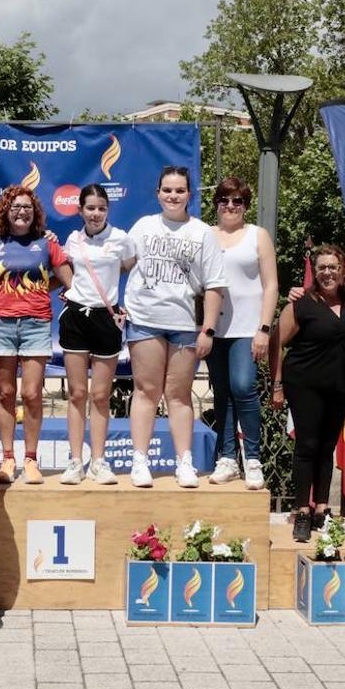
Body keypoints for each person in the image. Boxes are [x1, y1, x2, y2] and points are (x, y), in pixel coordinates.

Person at [124, 166, 227, 488]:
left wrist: (208, 329)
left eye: (179, 190)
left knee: (179, 395)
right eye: (167, 190)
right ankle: (139, 460)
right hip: (144, 320)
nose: (173, 196)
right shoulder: (143, 227)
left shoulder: (201, 233)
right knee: (146, 391)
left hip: (183, 324)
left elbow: (214, 285)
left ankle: (185, 462)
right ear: (157, 193)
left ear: (189, 195)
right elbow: (119, 262)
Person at [272, 244, 345, 541]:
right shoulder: (301, 303)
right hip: (305, 385)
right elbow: (276, 343)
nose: (328, 272)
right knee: (307, 446)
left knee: (327, 447)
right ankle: (302, 510)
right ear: (315, 271)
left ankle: (322, 509)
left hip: (340, 386)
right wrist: (277, 385)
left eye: (333, 267)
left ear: (342, 270)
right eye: (322, 267)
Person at [0, 185, 71, 484]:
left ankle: (31, 460)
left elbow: (67, 278)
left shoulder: (46, 244)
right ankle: (8, 459)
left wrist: (48, 290)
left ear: (34, 213)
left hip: (36, 322)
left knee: (32, 393)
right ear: (5, 212)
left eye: (27, 207)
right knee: (5, 392)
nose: (22, 212)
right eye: (16, 207)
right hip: (0, 323)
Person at [59, 184, 135, 485]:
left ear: (108, 210)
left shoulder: (121, 239)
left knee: (101, 395)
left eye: (101, 208)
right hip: (76, 316)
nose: (95, 213)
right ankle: (76, 461)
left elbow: (131, 268)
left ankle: (99, 462)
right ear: (80, 210)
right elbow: (64, 270)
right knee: (77, 393)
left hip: (107, 318)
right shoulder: (72, 240)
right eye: (90, 208)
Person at [206, 177, 277, 491]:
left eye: (237, 201)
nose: (230, 206)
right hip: (214, 328)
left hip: (248, 327)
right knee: (221, 393)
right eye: (224, 199)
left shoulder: (257, 236)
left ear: (246, 205)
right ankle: (227, 458)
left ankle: (253, 459)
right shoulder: (205, 235)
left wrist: (264, 328)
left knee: (243, 386)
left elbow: (271, 285)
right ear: (217, 204)